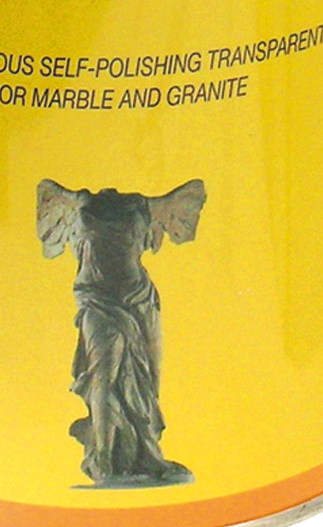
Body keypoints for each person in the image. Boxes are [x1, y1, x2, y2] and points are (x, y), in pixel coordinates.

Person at [37, 178, 206, 487]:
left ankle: (148, 454)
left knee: (146, 378)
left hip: (139, 299)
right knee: (103, 375)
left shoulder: (140, 206)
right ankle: (103, 459)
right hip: (99, 299)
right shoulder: (82, 205)